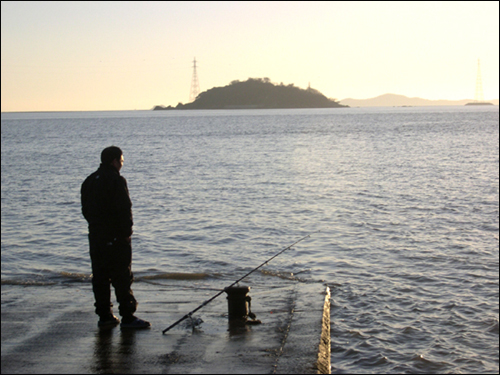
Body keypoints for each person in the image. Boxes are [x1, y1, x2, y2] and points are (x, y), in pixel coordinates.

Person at [81, 146, 150, 329]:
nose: (122, 163)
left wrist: (97, 227)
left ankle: (105, 316)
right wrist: (126, 233)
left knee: (100, 277)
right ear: (114, 161)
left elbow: (85, 210)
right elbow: (124, 208)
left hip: (96, 237)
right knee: (122, 276)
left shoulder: (89, 181)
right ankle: (127, 316)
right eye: (121, 160)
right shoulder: (116, 180)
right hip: (116, 237)